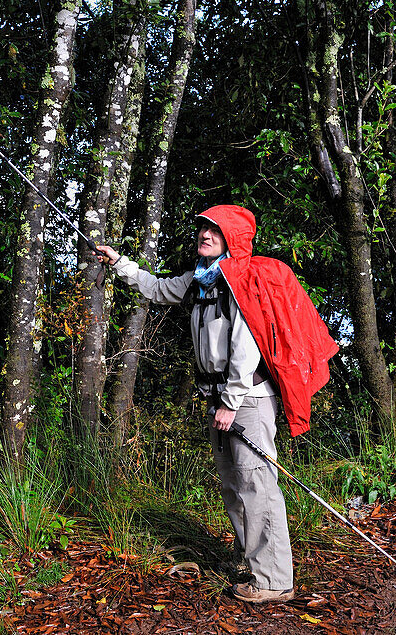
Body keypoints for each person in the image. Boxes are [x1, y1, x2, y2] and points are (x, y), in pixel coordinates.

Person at [95, 205, 295, 604]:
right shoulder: (202, 280)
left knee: (256, 485)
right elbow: (156, 288)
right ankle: (251, 562)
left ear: (231, 240)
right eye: (202, 229)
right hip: (219, 399)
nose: (204, 235)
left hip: (247, 400)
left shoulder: (240, 282)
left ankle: (274, 579)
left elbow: (247, 346)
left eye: (214, 232)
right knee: (233, 486)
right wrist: (119, 263)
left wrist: (232, 400)